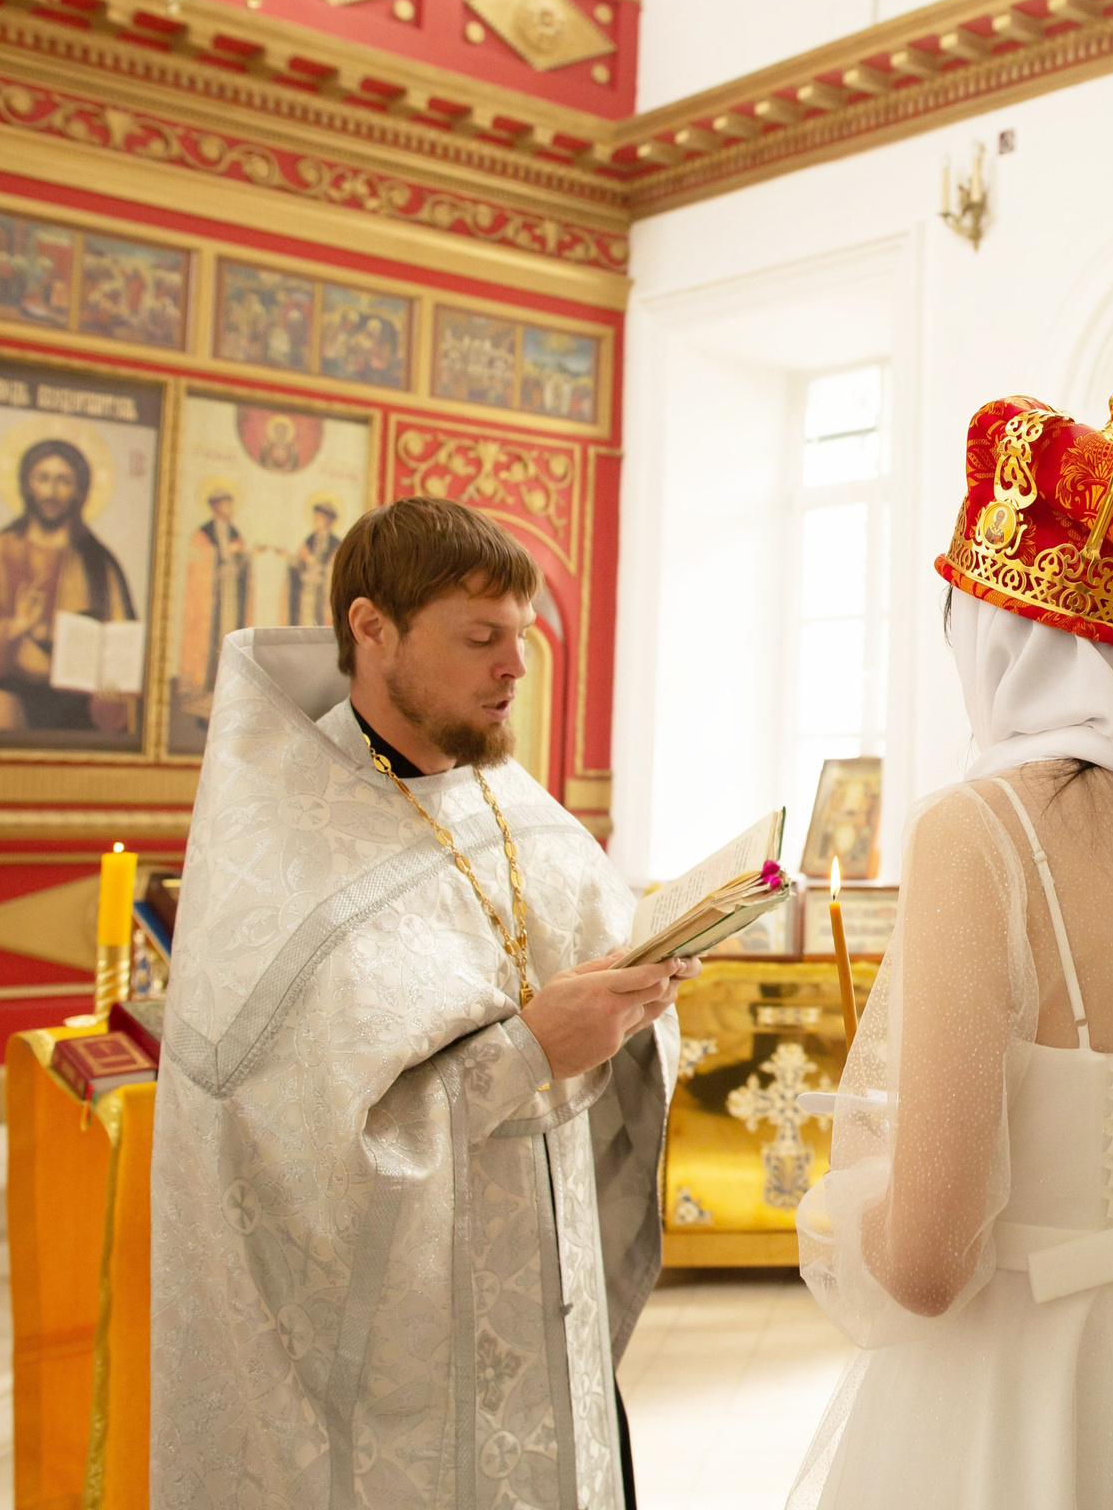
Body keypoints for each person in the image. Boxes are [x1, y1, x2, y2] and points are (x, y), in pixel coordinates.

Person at [789, 340, 1113, 1510]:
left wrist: (838, 1212)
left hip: (1028, 1372)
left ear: (995, 628)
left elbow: (930, 1264)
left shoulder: (979, 830)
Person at [152, 497, 699, 1509]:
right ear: (372, 629)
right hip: (397, 1378)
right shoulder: (286, 847)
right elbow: (284, 1144)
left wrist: (640, 990)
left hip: (553, 1304)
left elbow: (588, 977)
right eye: (481, 638)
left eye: (521, 636)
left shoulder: (509, 798)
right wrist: (530, 1052)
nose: (516, 668)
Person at [0, 437, 139, 732]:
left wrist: (111, 688)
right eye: (43, 478)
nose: (52, 492)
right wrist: (13, 628)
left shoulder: (99, 563)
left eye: (64, 481)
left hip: (80, 705)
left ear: (79, 491)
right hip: (10, 689)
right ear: (26, 485)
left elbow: (122, 644)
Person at [175, 481, 248, 714]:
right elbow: (199, 564)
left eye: (230, 504)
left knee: (228, 636)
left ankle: (225, 685)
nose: (229, 508)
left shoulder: (234, 533)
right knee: (210, 638)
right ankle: (205, 686)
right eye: (225, 504)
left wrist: (242, 556)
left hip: (229, 597)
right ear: (216, 506)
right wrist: (222, 556)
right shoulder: (203, 534)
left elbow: (240, 563)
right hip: (209, 600)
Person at [287, 494, 341, 625]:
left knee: (320, 620)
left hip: (323, 589)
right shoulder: (311, 538)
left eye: (320, 518)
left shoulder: (335, 542)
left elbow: (333, 567)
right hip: (308, 588)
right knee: (306, 619)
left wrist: (312, 561)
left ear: (328, 520)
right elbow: (300, 561)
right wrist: (291, 557)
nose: (316, 521)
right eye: (315, 518)